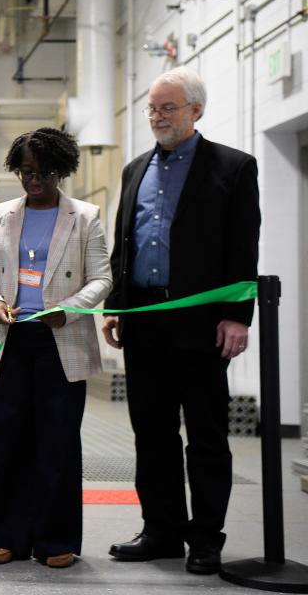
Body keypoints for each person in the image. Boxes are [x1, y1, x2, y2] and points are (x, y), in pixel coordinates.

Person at [103, 67, 260, 575]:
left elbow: (243, 248)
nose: (156, 116)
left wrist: (238, 316)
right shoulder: (135, 169)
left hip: (202, 325)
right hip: (144, 322)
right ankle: (162, 531)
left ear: (196, 110)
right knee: (151, 433)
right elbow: (123, 243)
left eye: (167, 107)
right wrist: (117, 306)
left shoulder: (233, 168)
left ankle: (206, 538)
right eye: (152, 107)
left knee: (207, 437)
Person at [0, 127, 111, 568]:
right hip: (11, 339)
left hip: (61, 341)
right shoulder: (1, 214)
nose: (35, 181)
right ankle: (4, 536)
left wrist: (66, 311)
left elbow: (102, 280)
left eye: (46, 173)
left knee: (57, 444)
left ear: (63, 171)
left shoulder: (85, 217)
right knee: (8, 442)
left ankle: (56, 540)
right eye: (26, 172)